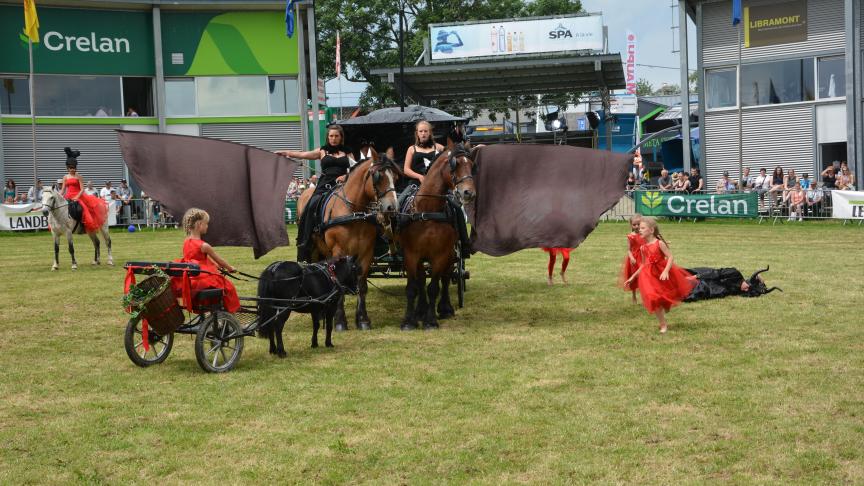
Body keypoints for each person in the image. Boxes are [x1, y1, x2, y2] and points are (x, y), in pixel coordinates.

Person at [276, 125, 352, 261]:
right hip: (325, 185)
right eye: (331, 136)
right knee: (311, 206)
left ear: (341, 137)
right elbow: (303, 154)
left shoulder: (348, 152)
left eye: (336, 136)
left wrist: (346, 177)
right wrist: (286, 152)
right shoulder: (322, 151)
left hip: (343, 186)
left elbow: (355, 169)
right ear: (328, 137)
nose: (333, 139)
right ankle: (306, 240)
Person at [625, 217, 697, 334]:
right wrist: (633, 277)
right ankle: (663, 324)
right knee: (653, 297)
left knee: (665, 295)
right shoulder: (643, 248)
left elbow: (670, 257)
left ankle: (666, 304)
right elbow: (643, 265)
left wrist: (666, 271)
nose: (640, 230)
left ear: (651, 230)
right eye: (639, 228)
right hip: (649, 276)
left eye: (643, 228)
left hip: (661, 272)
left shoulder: (660, 243)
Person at [178, 208, 240, 313]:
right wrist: (230, 268)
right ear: (199, 224)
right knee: (229, 288)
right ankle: (231, 311)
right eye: (206, 224)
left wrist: (215, 265)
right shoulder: (204, 245)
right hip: (202, 278)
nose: (207, 226)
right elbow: (219, 260)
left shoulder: (186, 242)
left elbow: (202, 258)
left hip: (191, 278)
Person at [59, 147, 108, 233]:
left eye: (74, 168)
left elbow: (82, 189)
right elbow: (63, 189)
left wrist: (77, 197)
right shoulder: (65, 177)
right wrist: (59, 196)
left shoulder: (79, 176)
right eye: (70, 168)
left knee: (81, 209)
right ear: (68, 168)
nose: (72, 170)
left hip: (79, 196)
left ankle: (82, 225)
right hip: (68, 196)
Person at [684, 266, 780, 301]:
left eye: (748, 290)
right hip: (706, 278)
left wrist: (761, 283)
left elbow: (753, 293)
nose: (746, 290)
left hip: (709, 289)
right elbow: (716, 273)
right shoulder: (735, 273)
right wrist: (695, 277)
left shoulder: (740, 291)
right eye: (747, 287)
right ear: (748, 281)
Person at [403, 120, 445, 189]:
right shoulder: (411, 149)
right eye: (421, 131)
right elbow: (406, 169)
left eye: (425, 131)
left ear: (430, 133)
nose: (423, 133)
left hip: (436, 184)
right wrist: (419, 176)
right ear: (417, 133)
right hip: (416, 184)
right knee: (402, 199)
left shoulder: (438, 147)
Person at [618, 214, 644, 304]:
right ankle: (634, 296)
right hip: (634, 259)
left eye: (638, 224)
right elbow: (628, 250)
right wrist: (632, 257)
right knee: (633, 276)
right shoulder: (630, 236)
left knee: (644, 276)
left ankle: (645, 295)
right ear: (631, 225)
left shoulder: (644, 234)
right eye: (634, 225)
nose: (637, 226)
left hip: (643, 257)